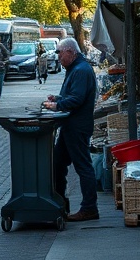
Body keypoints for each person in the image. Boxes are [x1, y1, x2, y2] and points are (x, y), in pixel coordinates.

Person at [41, 37, 98, 221]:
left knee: (83, 166)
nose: (58, 57)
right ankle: (60, 203)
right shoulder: (75, 68)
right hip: (70, 126)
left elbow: (77, 99)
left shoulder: (80, 70)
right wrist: (58, 98)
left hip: (77, 126)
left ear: (70, 52)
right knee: (58, 163)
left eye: (60, 53)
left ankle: (89, 208)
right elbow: (72, 95)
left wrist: (57, 106)